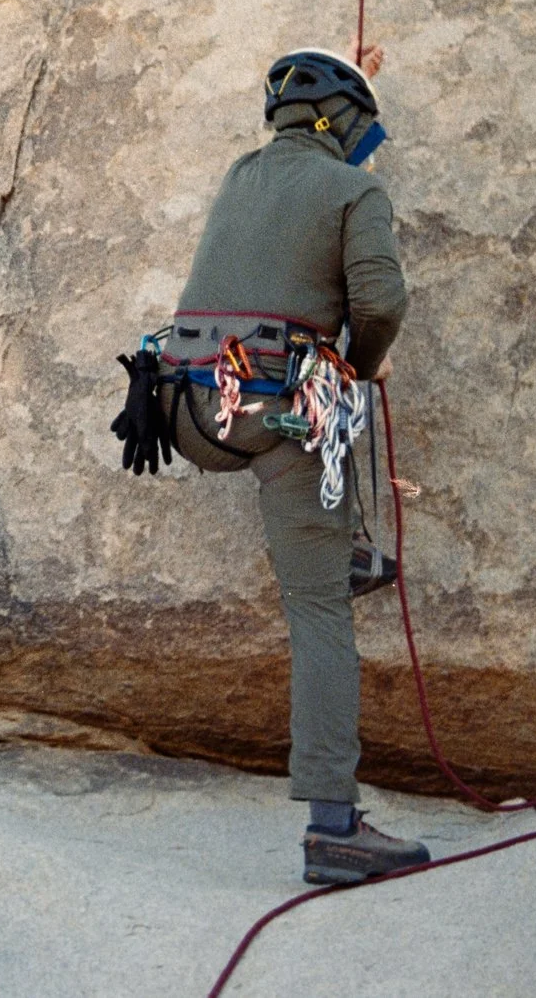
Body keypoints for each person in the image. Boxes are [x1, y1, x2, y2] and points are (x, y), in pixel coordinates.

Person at [138, 46, 425, 883]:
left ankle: (344, 548)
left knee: (320, 405)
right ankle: (334, 829)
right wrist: (366, 363)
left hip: (186, 408)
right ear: (349, 123)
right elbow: (381, 303)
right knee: (319, 609)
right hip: (276, 410)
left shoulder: (240, 175)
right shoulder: (356, 188)